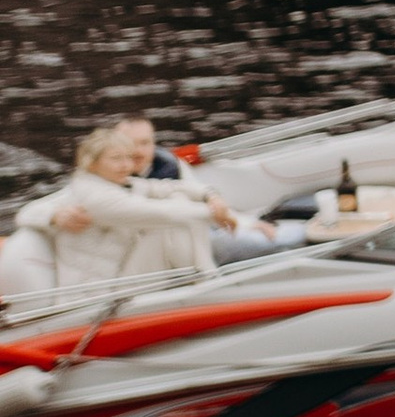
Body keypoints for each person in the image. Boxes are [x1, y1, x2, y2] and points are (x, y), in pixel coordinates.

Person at [8, 118, 256, 302]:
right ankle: (210, 287)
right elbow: (158, 212)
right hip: (96, 296)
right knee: (175, 222)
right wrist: (218, 214)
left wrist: (209, 195)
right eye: (116, 159)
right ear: (92, 163)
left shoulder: (114, 183)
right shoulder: (96, 197)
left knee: (179, 203)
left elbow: (165, 189)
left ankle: (205, 282)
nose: (127, 165)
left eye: (128, 157)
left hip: (121, 275)